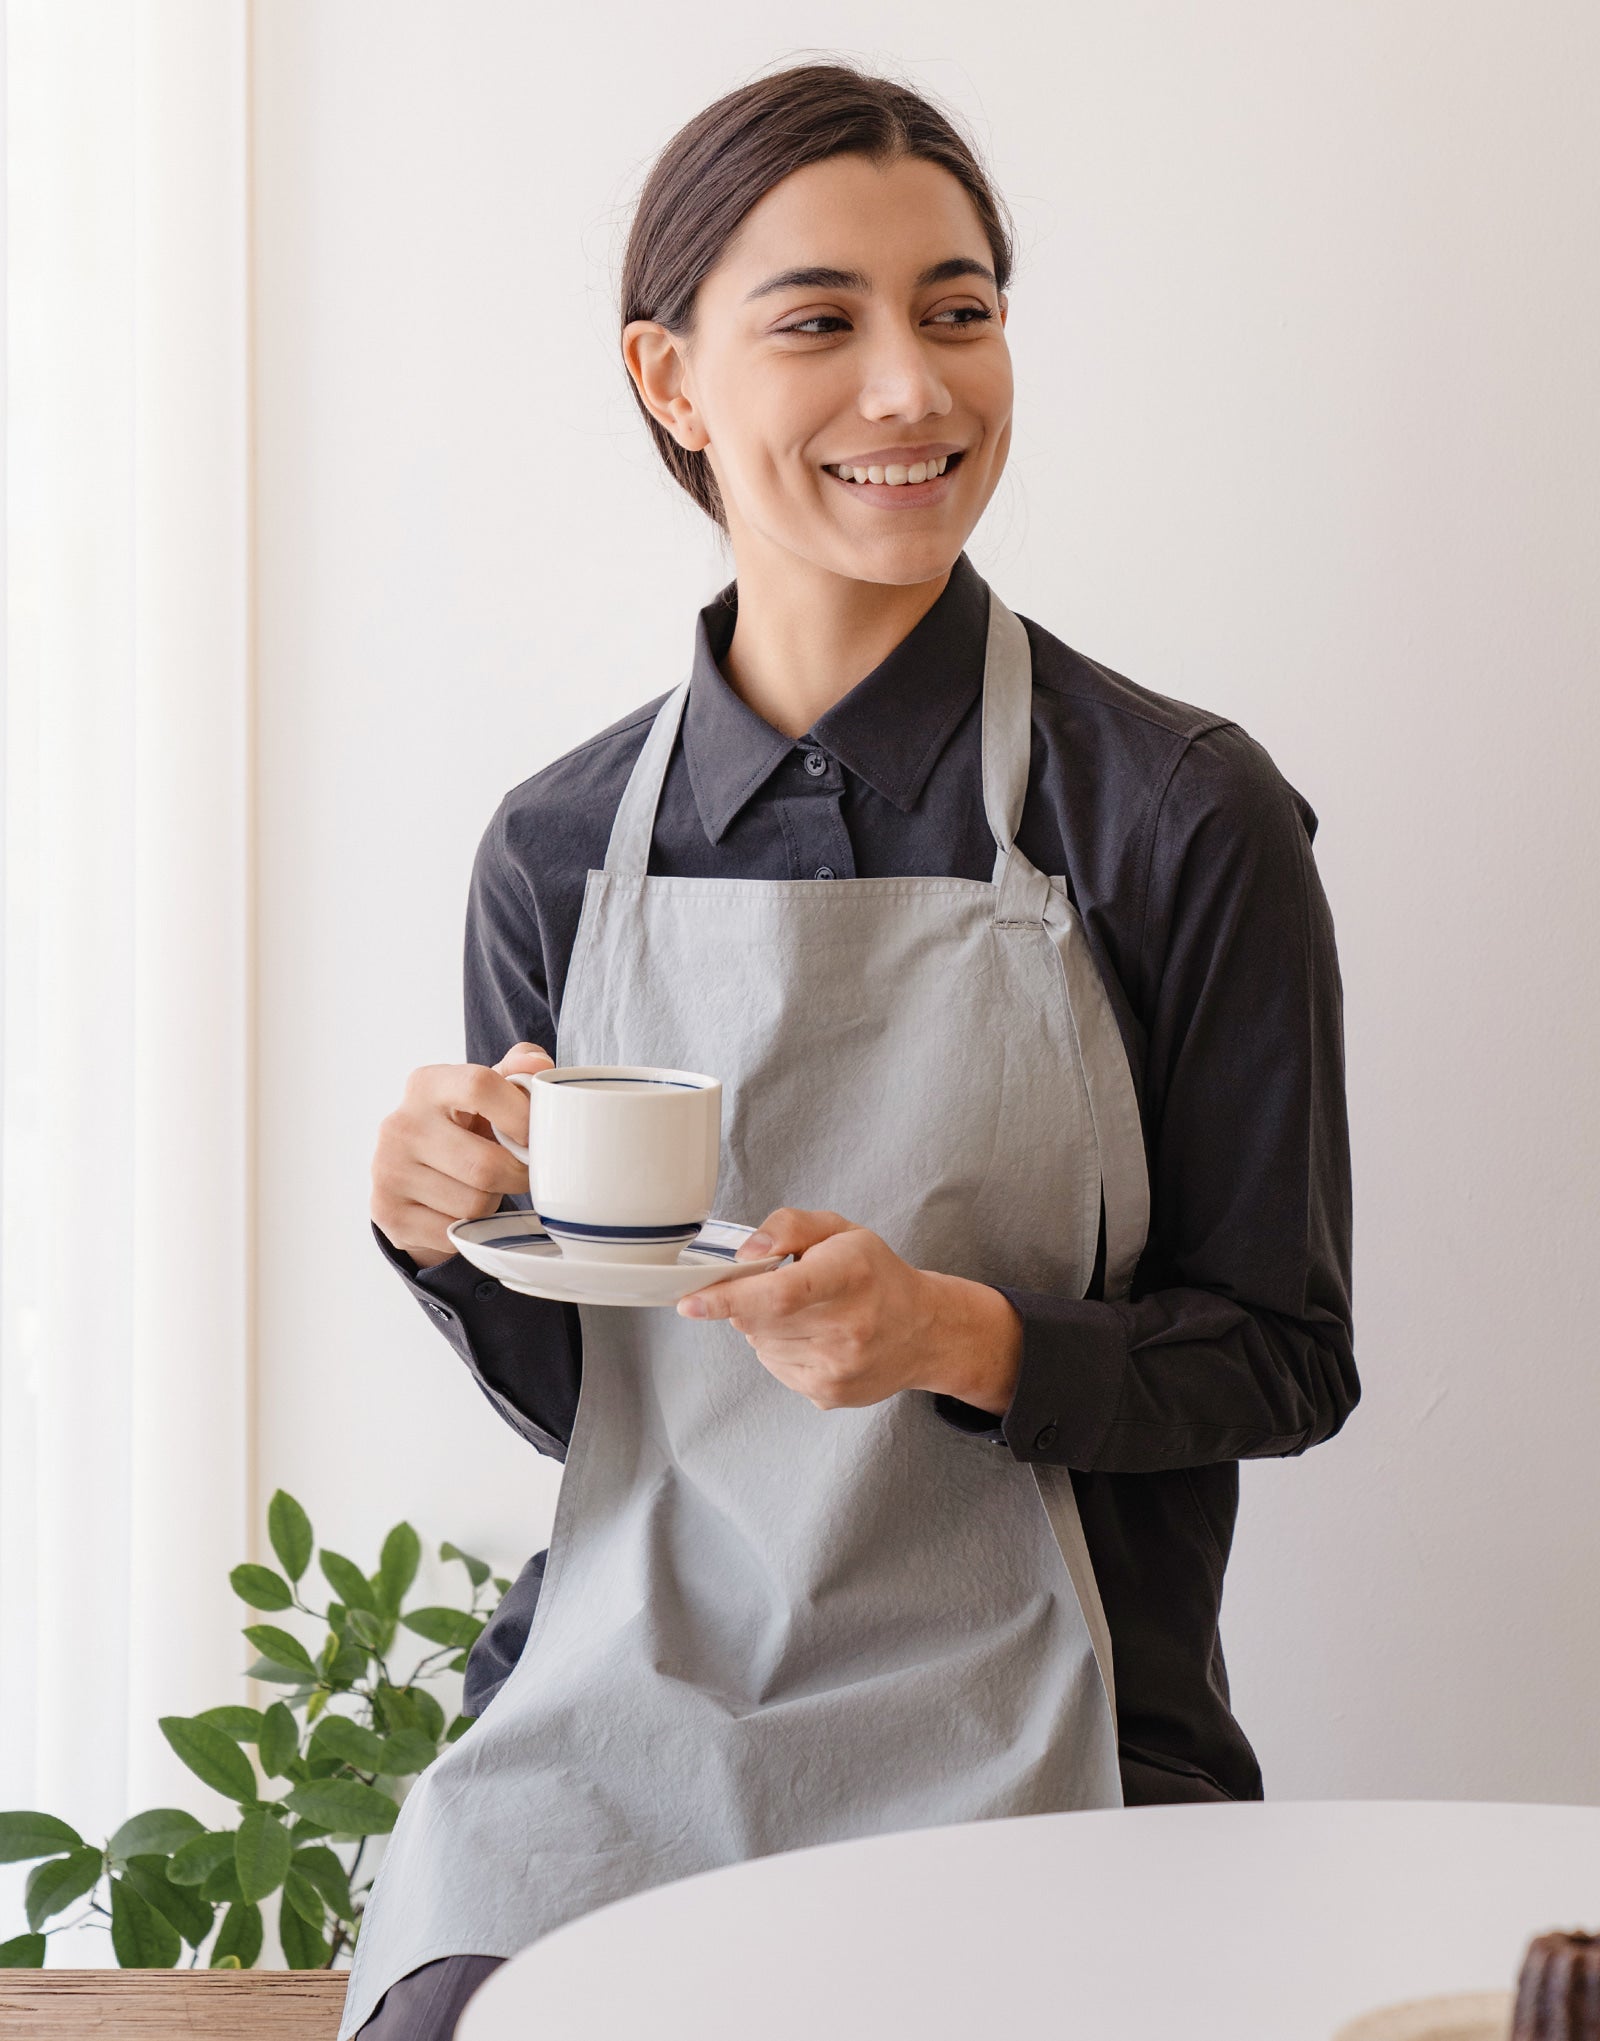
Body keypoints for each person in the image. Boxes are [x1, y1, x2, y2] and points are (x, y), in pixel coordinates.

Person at [349, 58, 1357, 2041]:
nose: (912, 387)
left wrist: (951, 1337)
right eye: (819, 320)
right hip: (611, 1732)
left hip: (1048, 1743)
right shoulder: (556, 851)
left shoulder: (1169, 815)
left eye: (958, 311)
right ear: (670, 380)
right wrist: (440, 1229)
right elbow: (606, 1413)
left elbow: (1285, 1354)